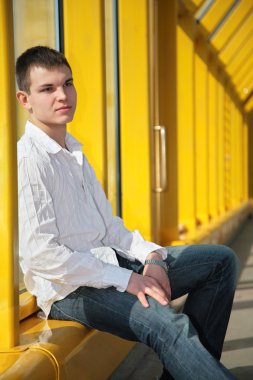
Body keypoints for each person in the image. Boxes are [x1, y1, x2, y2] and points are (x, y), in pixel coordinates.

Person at [16, 46, 239, 380]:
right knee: (168, 324)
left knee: (220, 262)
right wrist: (128, 279)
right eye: (48, 89)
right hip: (70, 288)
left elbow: (109, 228)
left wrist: (152, 258)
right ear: (25, 100)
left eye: (68, 83)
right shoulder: (29, 161)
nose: (63, 95)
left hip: (111, 263)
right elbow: (42, 256)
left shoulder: (73, 151)